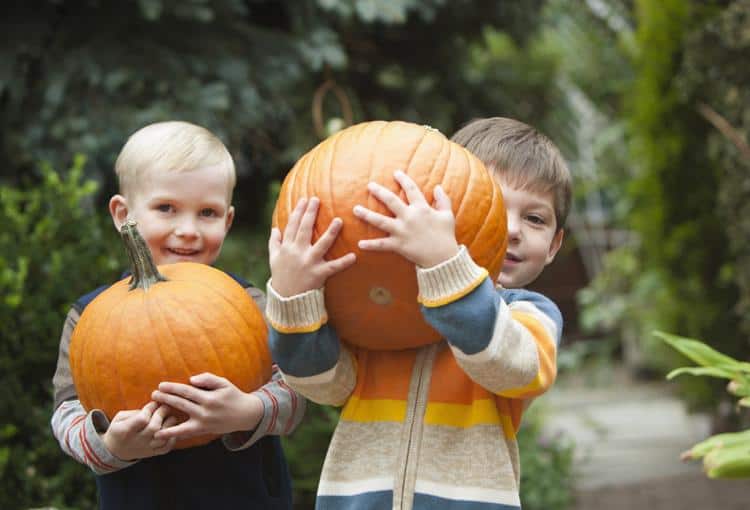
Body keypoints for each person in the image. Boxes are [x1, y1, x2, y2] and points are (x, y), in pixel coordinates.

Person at [266, 116, 570, 509]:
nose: (511, 229)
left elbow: (514, 366)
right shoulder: (383, 308)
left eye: (535, 218)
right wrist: (293, 295)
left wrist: (445, 268)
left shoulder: (528, 314)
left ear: (554, 245)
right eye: (491, 206)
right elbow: (324, 385)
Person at [51, 121, 305, 510]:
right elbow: (66, 413)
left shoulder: (247, 300)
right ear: (123, 214)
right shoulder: (89, 316)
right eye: (166, 208)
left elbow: (297, 391)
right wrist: (111, 444)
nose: (188, 230)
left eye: (207, 213)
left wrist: (248, 411)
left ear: (228, 221)